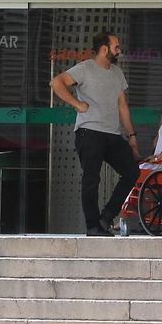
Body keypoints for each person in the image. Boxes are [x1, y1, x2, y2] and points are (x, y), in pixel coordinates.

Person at [51, 31, 140, 236]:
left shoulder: (117, 72)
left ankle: (106, 217)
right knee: (91, 179)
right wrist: (77, 103)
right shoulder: (85, 68)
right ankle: (93, 226)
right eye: (116, 47)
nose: (119, 51)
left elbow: (123, 106)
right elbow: (56, 82)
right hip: (89, 132)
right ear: (104, 49)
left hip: (112, 133)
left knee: (132, 172)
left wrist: (132, 135)